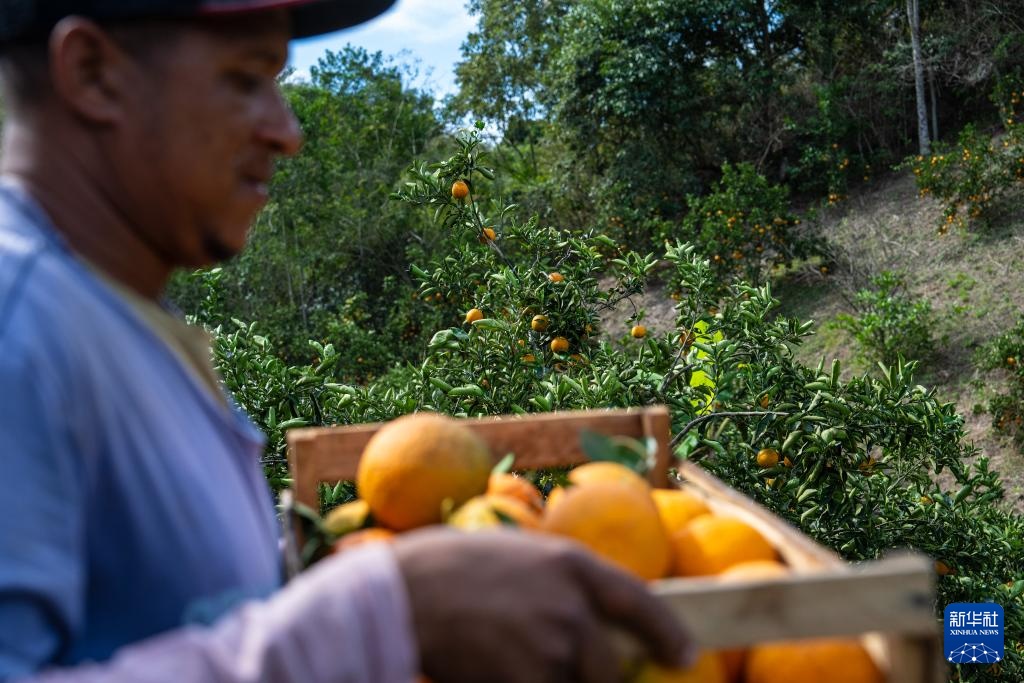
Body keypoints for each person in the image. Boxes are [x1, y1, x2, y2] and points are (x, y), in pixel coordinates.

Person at [0, 2, 693, 681]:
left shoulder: (112, 314)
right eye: (245, 79)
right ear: (92, 73)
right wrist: (382, 615)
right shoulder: (17, 325)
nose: (288, 130)